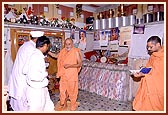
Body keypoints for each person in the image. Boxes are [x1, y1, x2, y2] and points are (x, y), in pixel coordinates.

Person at [8, 31, 44, 111]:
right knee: (22, 102)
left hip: (17, 75)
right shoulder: (31, 48)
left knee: (17, 101)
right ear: (37, 39)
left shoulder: (26, 44)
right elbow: (28, 67)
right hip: (21, 77)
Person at [22, 36, 54, 111]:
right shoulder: (37, 57)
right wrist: (45, 74)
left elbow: (24, 70)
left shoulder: (32, 54)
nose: (47, 49)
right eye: (48, 46)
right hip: (37, 91)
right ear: (45, 45)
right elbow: (34, 76)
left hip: (37, 88)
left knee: (49, 108)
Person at [132, 36, 164, 111]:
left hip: (158, 87)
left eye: (151, 47)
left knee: (156, 106)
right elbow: (150, 68)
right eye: (148, 47)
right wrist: (142, 70)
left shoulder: (163, 57)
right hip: (149, 84)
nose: (149, 49)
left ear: (158, 45)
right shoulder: (153, 55)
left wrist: (143, 75)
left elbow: (160, 74)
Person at [56, 38, 82, 111]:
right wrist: (47, 52)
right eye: (66, 44)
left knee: (72, 92)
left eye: (69, 44)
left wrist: (70, 66)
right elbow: (56, 56)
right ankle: (63, 104)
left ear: (72, 44)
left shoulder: (76, 51)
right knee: (62, 91)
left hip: (72, 76)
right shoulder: (63, 51)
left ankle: (73, 105)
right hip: (63, 75)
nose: (67, 45)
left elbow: (80, 64)